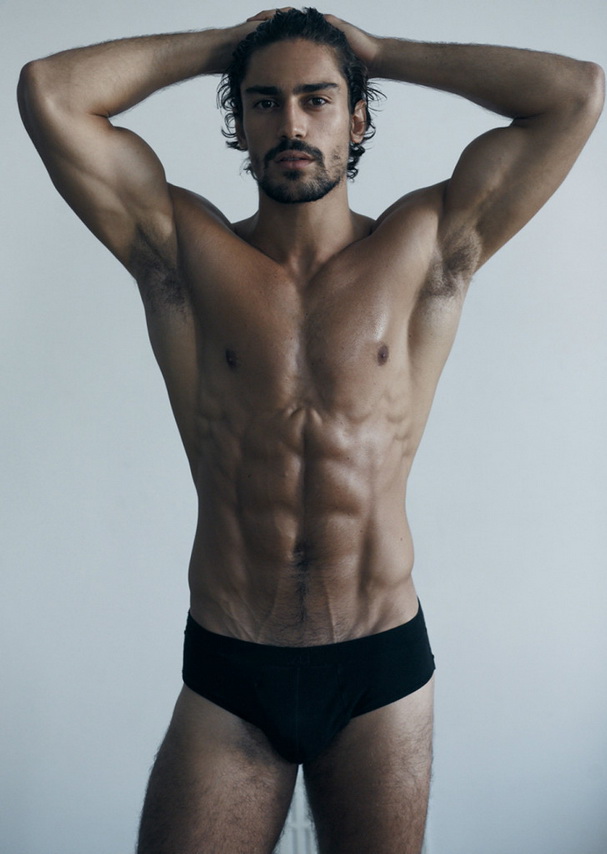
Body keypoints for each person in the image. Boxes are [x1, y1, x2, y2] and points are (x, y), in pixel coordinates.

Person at [17, 7, 603, 853]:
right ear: (239, 122)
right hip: (233, 660)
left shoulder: (426, 246)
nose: (290, 123)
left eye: (317, 99)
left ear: (356, 118)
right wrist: (227, 47)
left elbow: (575, 93)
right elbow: (50, 91)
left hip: (378, 668)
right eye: (264, 102)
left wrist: (379, 52)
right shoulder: (182, 252)